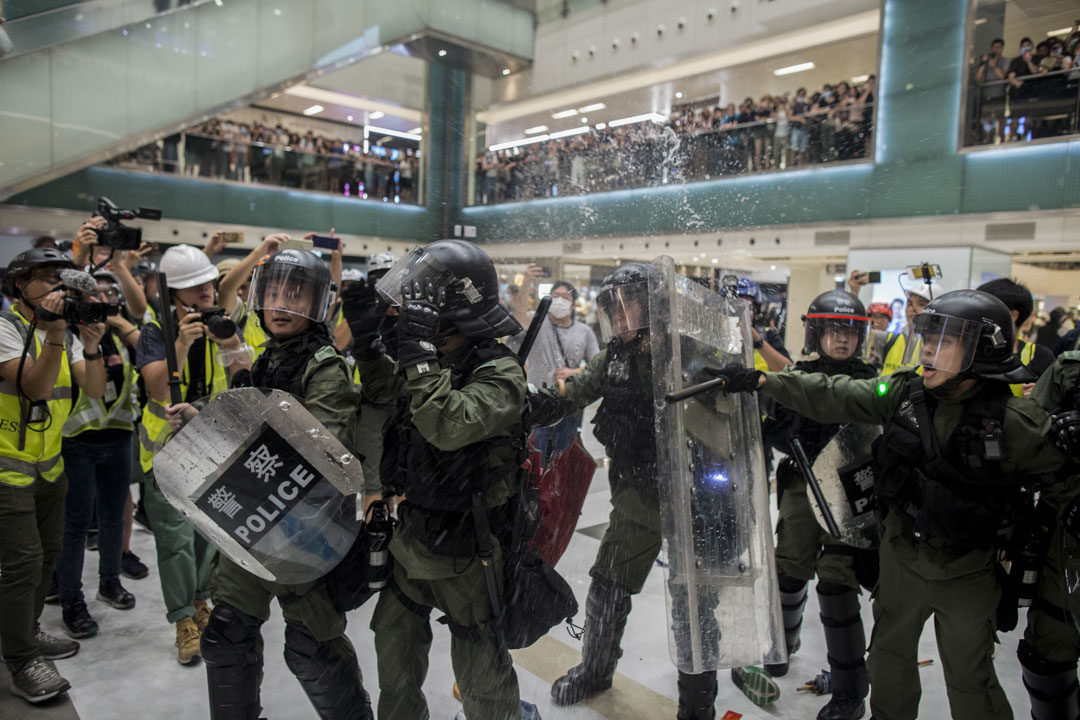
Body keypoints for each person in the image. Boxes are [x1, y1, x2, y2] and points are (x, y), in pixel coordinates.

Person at [710, 289, 1067, 720]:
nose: (930, 351)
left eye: (945, 341)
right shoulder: (902, 394)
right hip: (901, 562)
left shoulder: (1016, 423)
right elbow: (836, 393)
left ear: (980, 351)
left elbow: (1064, 484)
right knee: (889, 665)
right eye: (928, 338)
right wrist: (766, 380)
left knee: (970, 680)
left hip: (969, 573)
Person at [174, 247, 374, 720]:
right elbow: (247, 417)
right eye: (275, 292)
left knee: (313, 650)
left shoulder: (325, 367)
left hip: (304, 536)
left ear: (318, 303)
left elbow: (323, 453)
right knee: (224, 636)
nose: (283, 304)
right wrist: (203, 417)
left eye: (296, 294)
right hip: (251, 522)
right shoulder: (268, 358)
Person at [345, 240, 539, 720]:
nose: (402, 324)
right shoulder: (436, 364)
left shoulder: (500, 374)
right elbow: (389, 390)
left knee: (480, 673)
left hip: (469, 551)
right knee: (393, 647)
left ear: (453, 320)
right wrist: (370, 347)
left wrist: (418, 353)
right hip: (414, 536)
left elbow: (446, 424)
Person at [529, 262, 720, 720]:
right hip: (637, 496)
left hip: (691, 498)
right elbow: (575, 390)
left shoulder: (686, 353)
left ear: (650, 305)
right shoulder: (614, 355)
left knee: (693, 603)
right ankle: (595, 671)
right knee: (609, 586)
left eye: (625, 302)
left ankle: (697, 706)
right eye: (610, 304)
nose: (616, 312)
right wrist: (527, 403)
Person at [732, 290, 877, 719]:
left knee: (837, 582)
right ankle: (779, 646)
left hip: (846, 496)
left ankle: (851, 692)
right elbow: (773, 426)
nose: (842, 339)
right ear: (817, 331)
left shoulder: (871, 381)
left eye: (850, 330)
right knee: (790, 569)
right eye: (833, 329)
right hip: (798, 488)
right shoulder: (795, 375)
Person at [0, 248, 107, 704]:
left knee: (47, 556)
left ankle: (28, 631)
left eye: (64, 281)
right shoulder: (6, 329)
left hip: (50, 467)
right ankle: (22, 660)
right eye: (48, 280)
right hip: (7, 470)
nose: (60, 289)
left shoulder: (53, 335)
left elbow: (96, 389)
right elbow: (37, 387)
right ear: (20, 285)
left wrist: (93, 345)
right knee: (22, 566)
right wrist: (58, 333)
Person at [135, 244, 251, 664]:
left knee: (210, 536)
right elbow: (158, 389)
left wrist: (230, 337)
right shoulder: (155, 331)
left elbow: (242, 375)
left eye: (207, 283)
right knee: (176, 541)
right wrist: (179, 345)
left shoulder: (223, 322)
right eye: (192, 287)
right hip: (167, 452)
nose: (204, 292)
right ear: (174, 295)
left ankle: (202, 601)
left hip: (215, 450)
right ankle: (183, 618)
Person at [55, 268, 145, 640]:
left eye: (104, 296)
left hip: (119, 435)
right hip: (77, 439)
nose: (99, 303)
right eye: (91, 298)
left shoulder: (121, 335)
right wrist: (89, 342)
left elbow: (147, 354)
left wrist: (119, 325)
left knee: (112, 517)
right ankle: (71, 600)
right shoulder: (65, 337)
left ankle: (109, 582)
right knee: (75, 525)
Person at [508, 264, 600, 466]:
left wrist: (573, 372)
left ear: (574, 304)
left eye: (565, 297)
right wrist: (526, 281)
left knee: (562, 458)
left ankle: (556, 494)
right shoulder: (538, 321)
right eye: (555, 296)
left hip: (568, 402)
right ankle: (536, 493)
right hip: (537, 400)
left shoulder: (584, 332)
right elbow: (520, 313)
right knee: (535, 455)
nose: (559, 300)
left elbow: (597, 366)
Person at [976, 278, 1053, 397]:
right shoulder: (969, 351)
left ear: (1013, 315)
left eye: (986, 308)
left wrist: (1040, 396)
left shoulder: (1040, 357)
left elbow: (1055, 401)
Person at [734, 277, 790, 372]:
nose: (740, 311)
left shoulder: (768, 335)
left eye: (748, 306)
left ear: (756, 310)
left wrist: (758, 341)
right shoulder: (716, 336)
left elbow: (790, 373)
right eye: (735, 306)